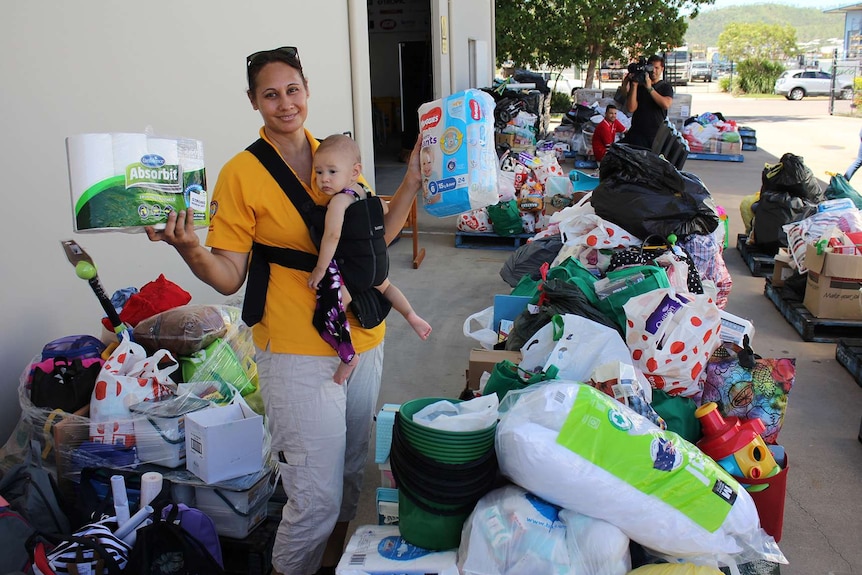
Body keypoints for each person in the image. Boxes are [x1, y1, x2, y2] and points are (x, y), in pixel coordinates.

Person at [145, 46, 423, 575]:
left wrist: (409, 181)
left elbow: (374, 245)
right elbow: (229, 274)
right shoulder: (241, 173)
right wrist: (190, 248)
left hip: (361, 339)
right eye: (270, 94)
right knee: (312, 500)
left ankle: (332, 564)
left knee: (346, 479)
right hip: (296, 351)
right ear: (254, 102)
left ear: (307, 90)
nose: (284, 103)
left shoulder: (335, 155)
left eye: (292, 90)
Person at [307, 134, 431, 384]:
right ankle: (412, 317)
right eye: (318, 172)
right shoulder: (364, 191)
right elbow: (383, 212)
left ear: (355, 171)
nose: (324, 179)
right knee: (387, 288)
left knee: (333, 311)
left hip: (353, 271)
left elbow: (332, 235)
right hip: (377, 264)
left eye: (332, 171)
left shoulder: (339, 202)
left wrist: (321, 269)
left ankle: (347, 355)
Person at [620, 55, 674, 149]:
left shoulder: (665, 87)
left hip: (655, 135)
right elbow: (631, 108)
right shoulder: (640, 86)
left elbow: (666, 104)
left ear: (662, 69)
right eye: (651, 68)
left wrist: (649, 88)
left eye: (657, 68)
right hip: (637, 133)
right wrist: (634, 85)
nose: (653, 71)